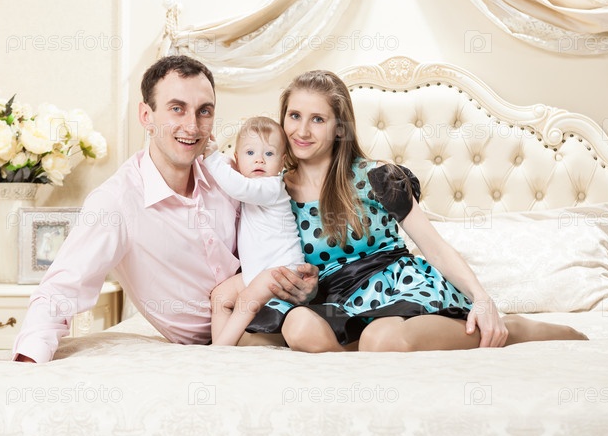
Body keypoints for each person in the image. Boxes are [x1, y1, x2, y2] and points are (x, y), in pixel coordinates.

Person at [246, 70, 588, 352]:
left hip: (394, 287)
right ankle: (352, 364)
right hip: (332, 298)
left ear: (339, 128)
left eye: (317, 119)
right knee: (280, 331)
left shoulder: (376, 177)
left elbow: (433, 245)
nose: (302, 131)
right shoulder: (271, 191)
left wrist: (482, 299)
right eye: (294, 116)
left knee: (380, 339)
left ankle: (513, 330)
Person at [12, 56, 319, 363]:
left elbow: (276, 233)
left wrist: (302, 284)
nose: (192, 126)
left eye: (204, 111)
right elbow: (60, 291)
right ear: (146, 116)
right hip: (216, 343)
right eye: (177, 109)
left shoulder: (231, 175)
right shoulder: (116, 203)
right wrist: (28, 361)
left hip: (270, 317)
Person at [201, 117, 305, 346]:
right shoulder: (250, 186)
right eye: (250, 153)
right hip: (256, 272)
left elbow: (239, 187)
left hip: (284, 269)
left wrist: (212, 158)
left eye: (269, 154)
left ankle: (219, 350)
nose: (259, 159)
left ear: (282, 162)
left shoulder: (271, 187)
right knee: (219, 296)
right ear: (237, 160)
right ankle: (221, 343)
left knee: (246, 300)